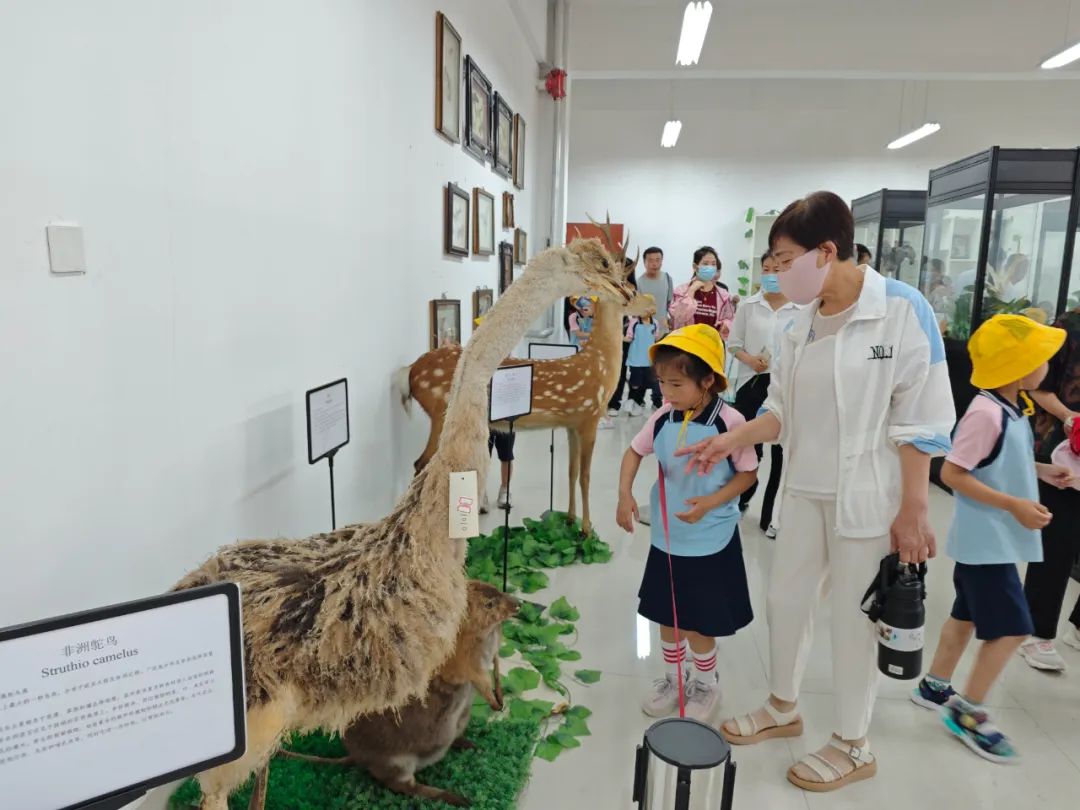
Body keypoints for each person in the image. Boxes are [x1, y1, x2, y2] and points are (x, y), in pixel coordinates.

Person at [676, 191, 955, 792]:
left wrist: (914, 510)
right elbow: (780, 410)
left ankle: (854, 742)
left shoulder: (904, 312)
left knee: (854, 621)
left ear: (828, 251)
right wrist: (731, 440)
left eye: (783, 259)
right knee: (787, 601)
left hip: (870, 496)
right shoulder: (795, 321)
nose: (775, 272)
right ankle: (783, 706)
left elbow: (922, 422)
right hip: (804, 488)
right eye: (772, 262)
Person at [912, 315, 1071, 763]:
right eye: (1039, 360)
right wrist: (1014, 506)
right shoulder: (985, 413)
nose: (1046, 367)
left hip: (989, 540)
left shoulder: (1012, 407)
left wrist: (1040, 474)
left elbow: (997, 462)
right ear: (1018, 368)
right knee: (1014, 628)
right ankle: (969, 712)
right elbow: (952, 472)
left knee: (965, 617)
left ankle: (934, 686)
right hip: (990, 542)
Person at [616, 324, 757, 723]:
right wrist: (624, 493)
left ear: (707, 380)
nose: (666, 392)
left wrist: (710, 502)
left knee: (699, 619)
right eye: (662, 382)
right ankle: (673, 680)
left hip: (710, 538)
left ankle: (706, 683)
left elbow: (748, 475)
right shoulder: (662, 417)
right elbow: (633, 451)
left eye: (676, 384)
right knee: (667, 614)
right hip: (667, 537)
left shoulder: (730, 422)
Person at [1023, 304, 1080, 670]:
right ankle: (1035, 633)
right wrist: (1068, 416)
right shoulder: (1069, 327)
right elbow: (1040, 387)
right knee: (1057, 542)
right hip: (1065, 447)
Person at [727, 251, 799, 528]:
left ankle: (771, 517)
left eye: (778, 269)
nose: (772, 275)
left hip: (785, 387)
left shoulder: (802, 308)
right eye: (767, 269)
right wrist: (750, 360)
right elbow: (734, 343)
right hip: (751, 384)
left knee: (781, 453)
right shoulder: (749, 305)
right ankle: (740, 499)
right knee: (747, 448)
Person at [670, 247, 736, 339]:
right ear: (695, 267)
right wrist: (692, 290)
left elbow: (730, 318)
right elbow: (679, 317)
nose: (710, 267)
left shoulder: (723, 295)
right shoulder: (681, 291)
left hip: (711, 346)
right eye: (705, 264)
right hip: (686, 345)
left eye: (713, 264)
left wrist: (726, 325)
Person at [608, 261, 638, 417]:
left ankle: (614, 402)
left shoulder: (633, 289)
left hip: (625, 335)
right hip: (606, 333)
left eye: (623, 268)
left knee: (619, 369)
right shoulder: (606, 285)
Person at [623, 297, 659, 416]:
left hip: (649, 359)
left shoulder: (655, 323)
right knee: (635, 382)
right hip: (636, 359)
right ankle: (631, 401)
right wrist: (616, 337)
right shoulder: (634, 322)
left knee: (646, 383)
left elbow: (656, 338)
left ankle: (638, 403)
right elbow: (629, 338)